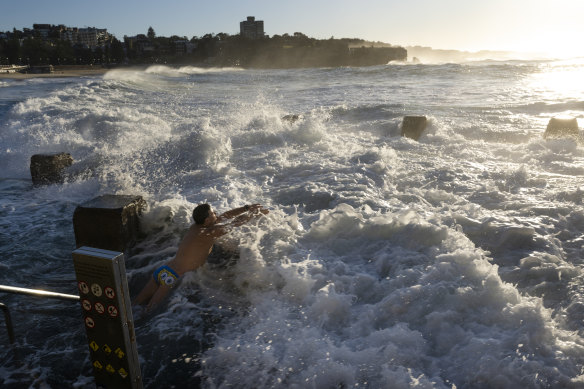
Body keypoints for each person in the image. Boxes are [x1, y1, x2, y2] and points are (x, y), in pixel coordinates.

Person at [134, 203, 268, 312]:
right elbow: (234, 223)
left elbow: (226, 215)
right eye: (212, 213)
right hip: (172, 276)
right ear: (207, 220)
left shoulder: (197, 227)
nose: (216, 213)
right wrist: (253, 213)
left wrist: (246, 208)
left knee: (136, 304)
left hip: (163, 270)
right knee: (148, 311)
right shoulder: (209, 232)